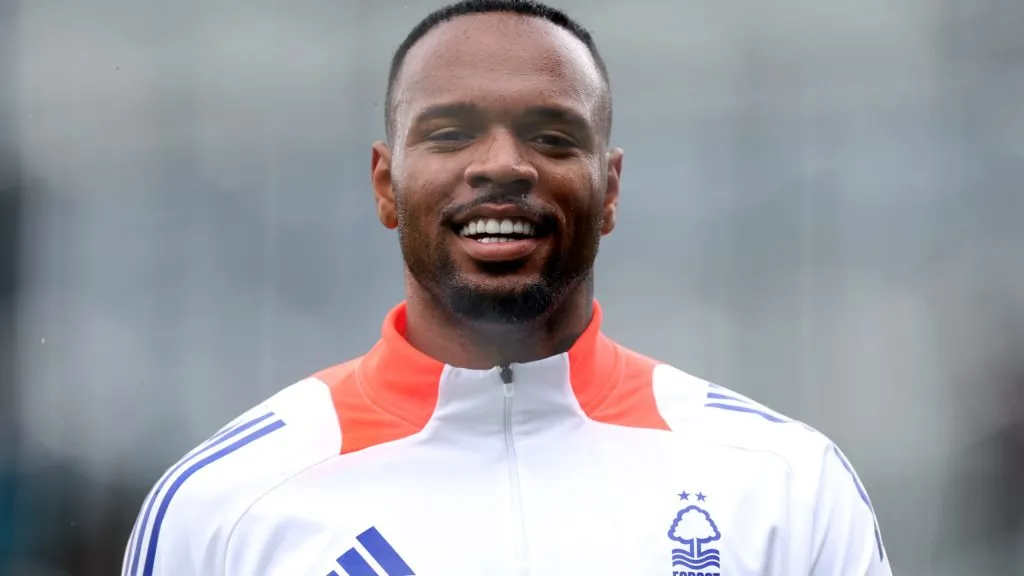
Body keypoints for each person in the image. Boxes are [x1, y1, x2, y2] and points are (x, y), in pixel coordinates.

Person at [122, 1, 893, 574]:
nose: (503, 165)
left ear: (611, 189)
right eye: (450, 131)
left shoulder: (781, 485)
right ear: (386, 185)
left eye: (553, 136)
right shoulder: (224, 506)